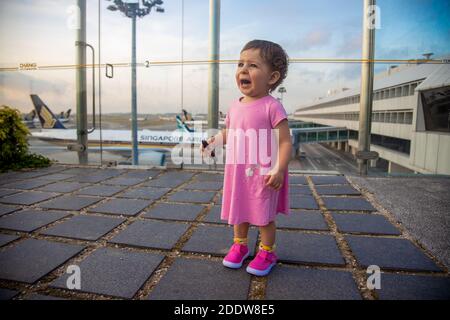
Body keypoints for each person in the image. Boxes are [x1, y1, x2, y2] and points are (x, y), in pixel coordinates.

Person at [201, 39, 292, 276]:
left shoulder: (272, 107)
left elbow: (284, 141)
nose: (243, 69)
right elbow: (230, 132)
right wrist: (214, 142)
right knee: (239, 211)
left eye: (252, 65)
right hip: (239, 171)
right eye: (240, 63)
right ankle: (240, 245)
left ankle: (267, 251)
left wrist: (279, 169)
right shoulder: (234, 106)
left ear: (271, 78)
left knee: (263, 217)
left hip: (264, 172)